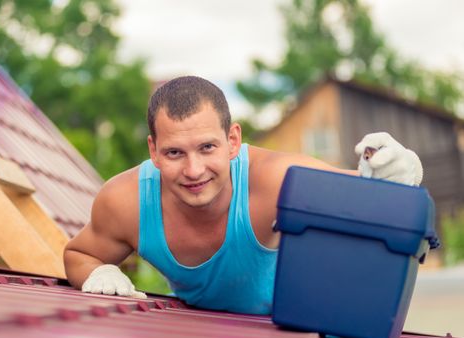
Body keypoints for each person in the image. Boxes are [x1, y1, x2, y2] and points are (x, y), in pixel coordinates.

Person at [64, 76, 423, 315]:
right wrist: (99, 271)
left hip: (297, 327)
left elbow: (374, 187)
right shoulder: (125, 202)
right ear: (153, 150)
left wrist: (401, 170)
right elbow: (80, 253)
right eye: (175, 153)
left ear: (232, 141)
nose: (193, 170)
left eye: (207, 147)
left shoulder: (277, 180)